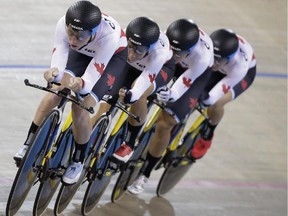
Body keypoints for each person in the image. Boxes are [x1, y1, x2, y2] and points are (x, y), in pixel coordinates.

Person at [14, 0, 128, 185]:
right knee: (54, 92)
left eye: (79, 36)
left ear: (93, 33)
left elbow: (90, 80)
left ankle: (78, 160)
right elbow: (59, 57)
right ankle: (28, 143)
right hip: (84, 52)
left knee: (81, 105)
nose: (73, 40)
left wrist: (79, 83)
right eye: (71, 33)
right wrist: (54, 74)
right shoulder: (64, 25)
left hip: (112, 58)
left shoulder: (109, 37)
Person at [128, 18, 214, 195]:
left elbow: (183, 84)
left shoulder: (201, 57)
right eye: (171, 49)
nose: (173, 53)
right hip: (170, 67)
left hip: (195, 74)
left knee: (164, 123)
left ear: (189, 51)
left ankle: (145, 174)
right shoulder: (167, 46)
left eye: (178, 52)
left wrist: (171, 94)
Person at [92, 16, 175, 163]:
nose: (131, 54)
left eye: (138, 51)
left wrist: (132, 95)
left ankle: (129, 143)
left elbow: (143, 82)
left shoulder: (159, 53)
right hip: (130, 66)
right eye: (130, 46)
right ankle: (90, 136)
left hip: (159, 70)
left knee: (140, 93)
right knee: (106, 103)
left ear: (149, 49)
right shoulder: (122, 37)